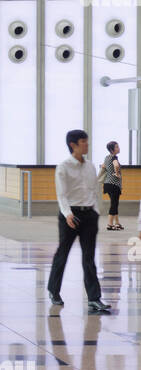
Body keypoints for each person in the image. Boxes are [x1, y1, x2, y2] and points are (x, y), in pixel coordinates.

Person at [48, 129, 110, 313]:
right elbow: (61, 195)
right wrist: (67, 214)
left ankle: (94, 299)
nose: (87, 144)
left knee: (89, 257)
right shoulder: (64, 167)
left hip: (89, 215)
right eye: (83, 142)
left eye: (87, 141)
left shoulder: (90, 166)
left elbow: (94, 190)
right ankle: (53, 290)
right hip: (70, 215)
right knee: (63, 253)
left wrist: (96, 211)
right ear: (73, 145)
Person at [102, 140, 123, 230]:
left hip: (107, 184)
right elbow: (116, 165)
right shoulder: (114, 158)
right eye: (117, 147)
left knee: (114, 203)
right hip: (113, 184)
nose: (119, 148)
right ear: (112, 149)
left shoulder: (107, 157)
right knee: (114, 204)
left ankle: (117, 223)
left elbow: (103, 166)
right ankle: (110, 224)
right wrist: (117, 173)